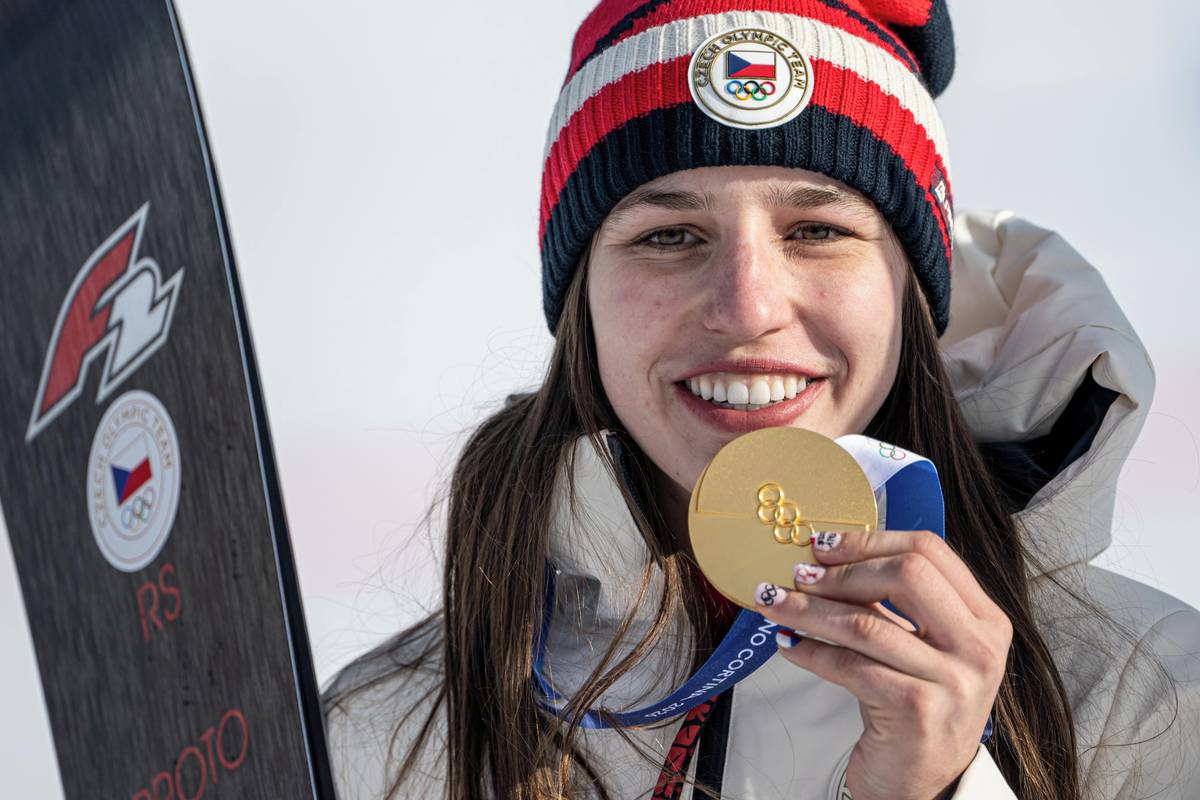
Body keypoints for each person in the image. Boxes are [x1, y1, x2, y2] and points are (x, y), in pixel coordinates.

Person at [321, 1, 1200, 798]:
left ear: (911, 289)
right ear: (581, 300)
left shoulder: (1148, 696)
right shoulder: (382, 736)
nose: (746, 309)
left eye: (817, 230)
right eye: (670, 235)